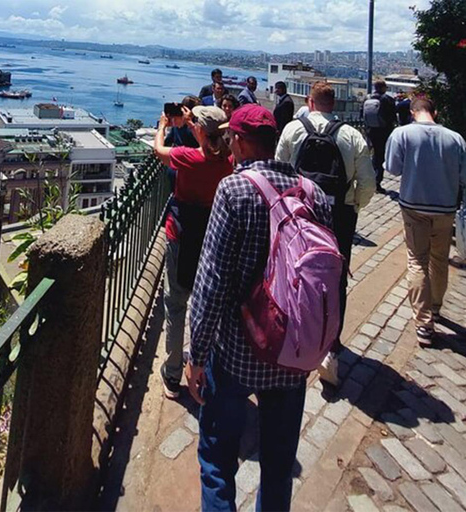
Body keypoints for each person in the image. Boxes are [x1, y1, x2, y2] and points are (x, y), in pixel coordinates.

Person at [188, 104, 333, 511]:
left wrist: (196, 355)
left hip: (236, 353)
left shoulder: (234, 190)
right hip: (292, 353)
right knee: (278, 464)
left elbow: (211, 283)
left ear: (240, 141)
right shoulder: (313, 193)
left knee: (217, 460)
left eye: (231, 139)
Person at [276, 81, 376, 386]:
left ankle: (293, 334)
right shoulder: (351, 135)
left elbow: (279, 169)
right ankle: (330, 346)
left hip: (300, 213)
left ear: (310, 101)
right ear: (334, 104)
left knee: (293, 271)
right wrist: (353, 206)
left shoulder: (294, 130)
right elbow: (368, 183)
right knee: (335, 278)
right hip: (338, 217)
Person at [154, 106, 232, 399]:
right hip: (211, 236)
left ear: (198, 129)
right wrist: (192, 121)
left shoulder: (187, 157)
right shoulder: (228, 162)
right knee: (206, 302)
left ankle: (173, 374)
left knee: (175, 304)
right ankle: (204, 361)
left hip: (181, 234)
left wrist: (163, 126)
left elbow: (159, 150)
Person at [385, 97, 466, 347]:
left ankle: (424, 323)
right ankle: (435, 307)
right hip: (445, 208)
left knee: (417, 261)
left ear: (413, 112)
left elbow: (392, 168)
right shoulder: (455, 139)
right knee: (439, 259)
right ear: (435, 112)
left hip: (413, 206)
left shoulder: (402, 134)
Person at [362, 80, 397, 193]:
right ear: (382, 88)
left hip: (370, 130)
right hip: (383, 131)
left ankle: (369, 179)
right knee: (380, 156)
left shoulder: (367, 98)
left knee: (372, 155)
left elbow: (361, 114)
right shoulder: (387, 99)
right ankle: (377, 182)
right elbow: (392, 116)